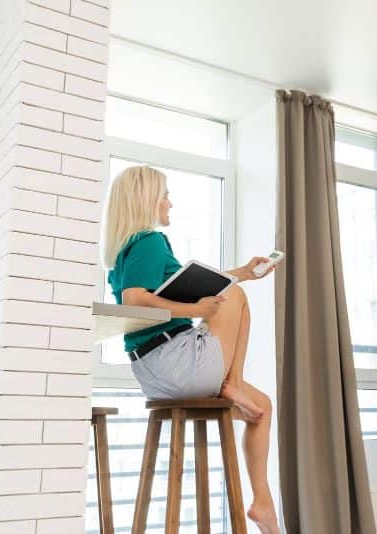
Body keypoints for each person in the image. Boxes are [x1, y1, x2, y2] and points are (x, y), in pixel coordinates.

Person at [101, 165, 280, 534]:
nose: (170, 202)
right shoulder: (148, 240)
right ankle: (233, 381)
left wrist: (243, 270)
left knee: (261, 408)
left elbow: (180, 290)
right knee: (236, 297)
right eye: (165, 194)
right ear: (146, 199)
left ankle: (263, 503)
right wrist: (198, 311)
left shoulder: (126, 252)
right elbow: (135, 299)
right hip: (174, 362)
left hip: (156, 373)